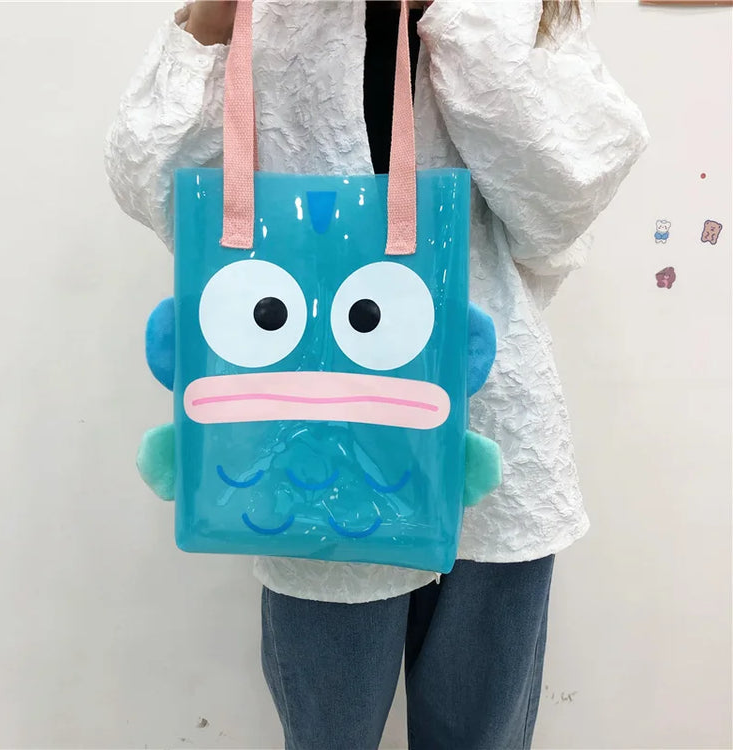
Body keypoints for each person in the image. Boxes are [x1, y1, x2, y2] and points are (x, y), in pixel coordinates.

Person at [104, 2, 649, 748]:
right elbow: (163, 198)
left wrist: (459, 21)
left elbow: (562, 206)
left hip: (491, 434)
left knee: (482, 734)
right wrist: (209, 24)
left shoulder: (503, 9)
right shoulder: (265, 11)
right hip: (308, 455)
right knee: (329, 733)